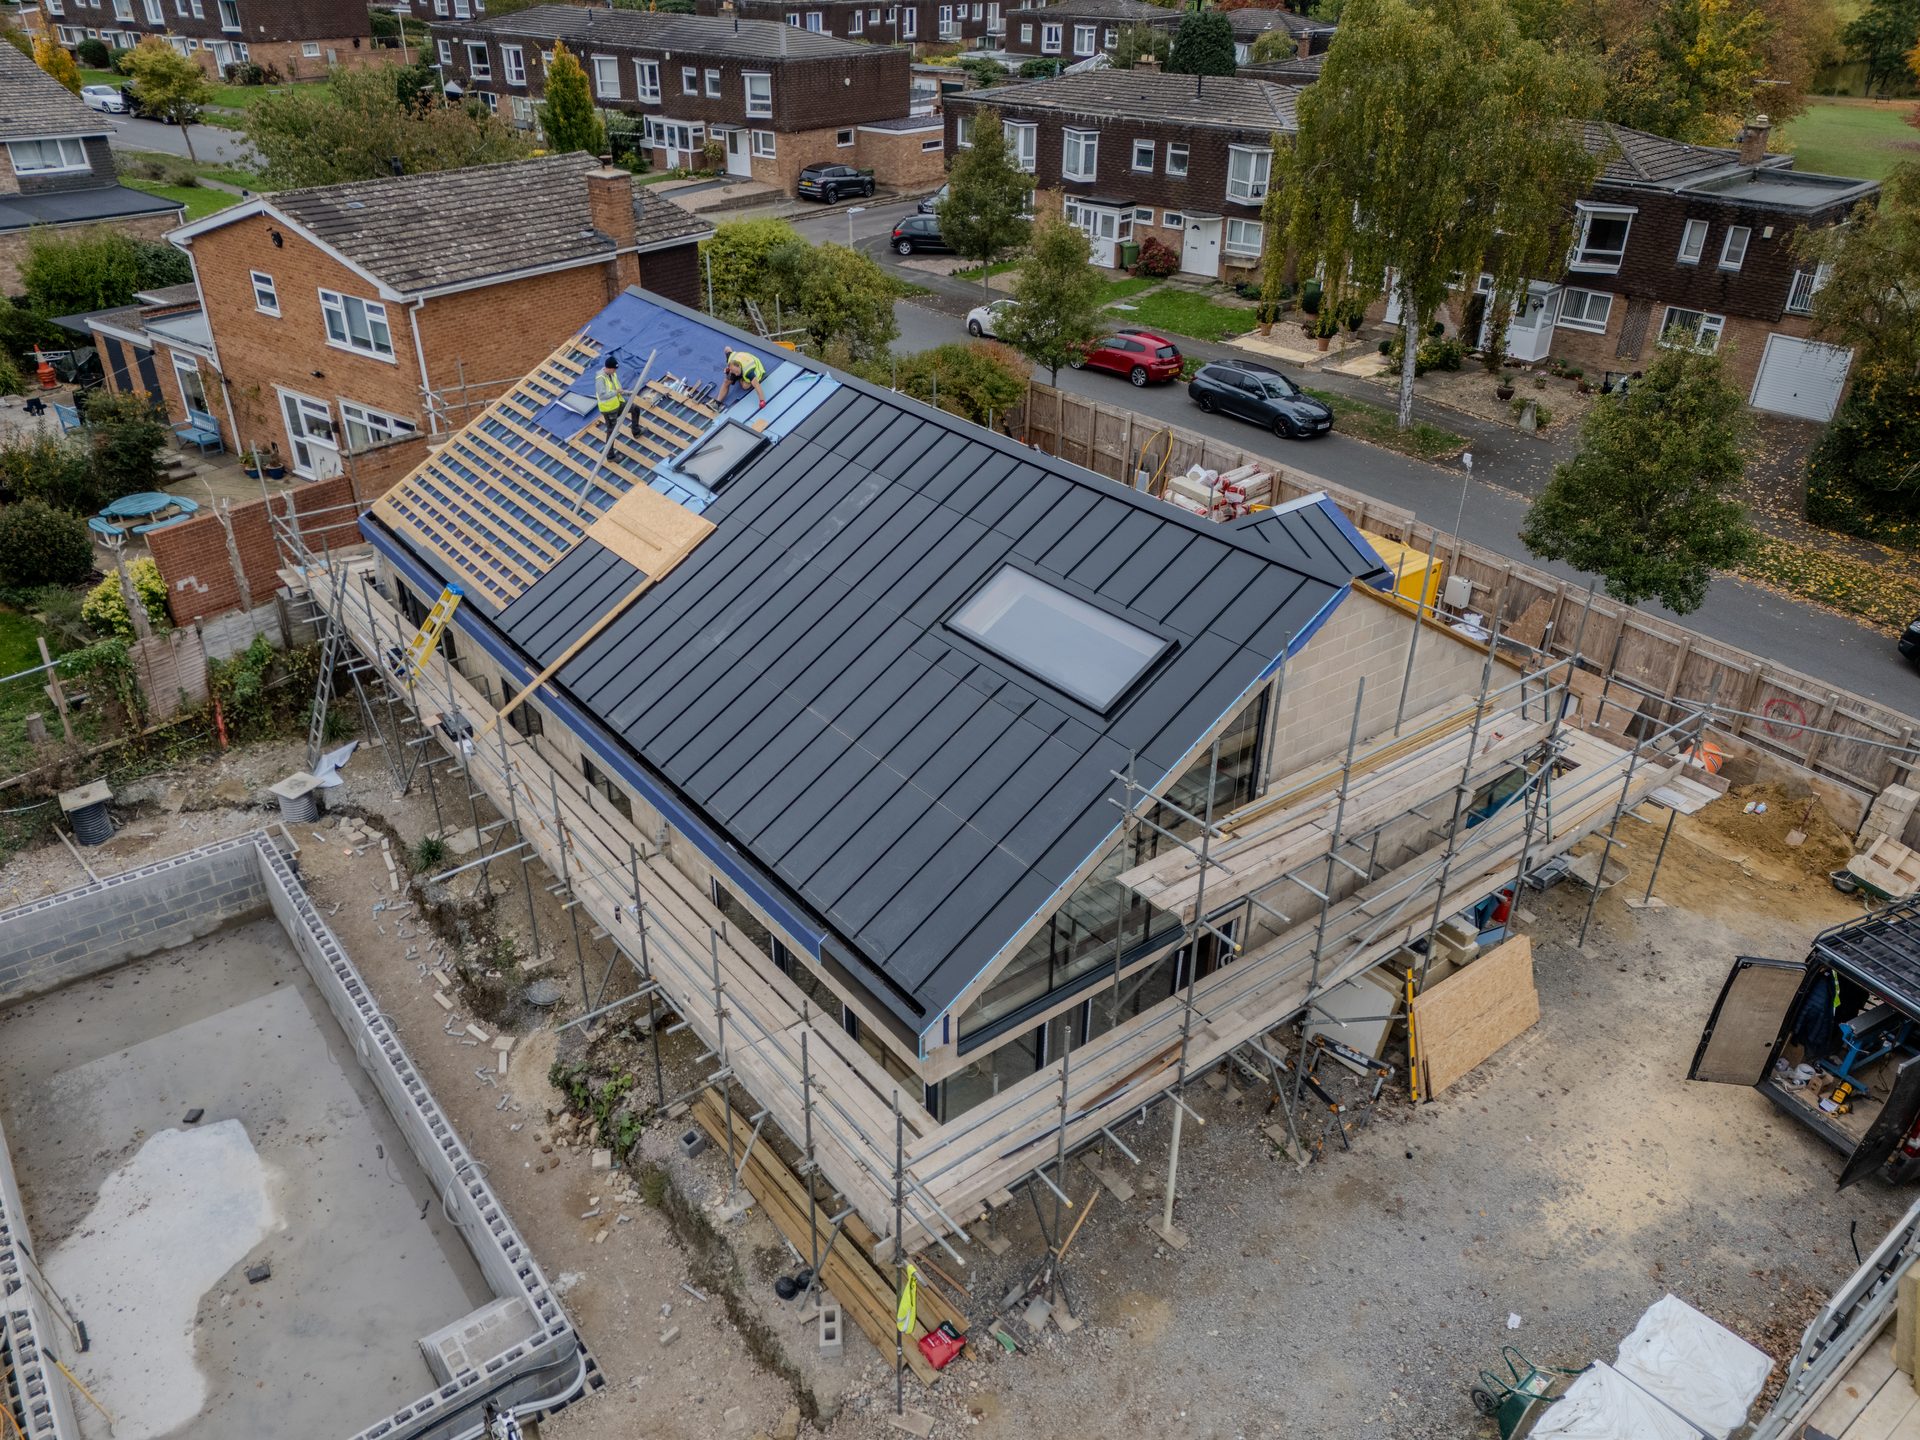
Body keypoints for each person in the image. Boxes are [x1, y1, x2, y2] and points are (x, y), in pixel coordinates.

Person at [594, 355, 624, 437]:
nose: (615, 371)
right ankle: (609, 449)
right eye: (614, 369)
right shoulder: (600, 378)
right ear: (609, 368)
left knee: (634, 408)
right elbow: (602, 396)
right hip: (608, 409)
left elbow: (618, 387)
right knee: (612, 430)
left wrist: (627, 392)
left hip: (617, 404)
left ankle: (636, 431)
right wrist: (616, 392)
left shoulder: (612, 374)